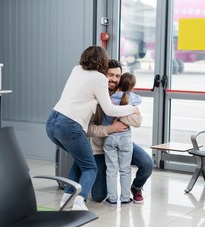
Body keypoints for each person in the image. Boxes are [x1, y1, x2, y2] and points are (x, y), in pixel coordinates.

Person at [46, 46, 137, 211]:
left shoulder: (76, 69)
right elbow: (110, 110)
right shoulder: (99, 78)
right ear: (103, 61)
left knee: (80, 161)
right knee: (90, 168)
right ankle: (79, 204)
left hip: (52, 122)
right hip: (70, 125)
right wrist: (131, 108)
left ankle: (66, 200)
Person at [88, 59, 153, 204]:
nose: (114, 79)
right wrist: (111, 128)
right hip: (100, 148)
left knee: (147, 164)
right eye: (110, 75)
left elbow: (138, 121)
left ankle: (136, 187)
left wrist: (115, 111)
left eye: (117, 76)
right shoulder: (94, 96)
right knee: (98, 196)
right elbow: (88, 129)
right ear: (102, 75)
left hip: (122, 139)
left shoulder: (124, 94)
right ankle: (89, 173)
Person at [102, 73, 142, 205]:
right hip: (125, 138)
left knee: (111, 170)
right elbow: (139, 100)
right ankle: (125, 198)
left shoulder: (109, 97)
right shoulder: (132, 98)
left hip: (110, 137)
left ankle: (112, 199)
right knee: (125, 169)